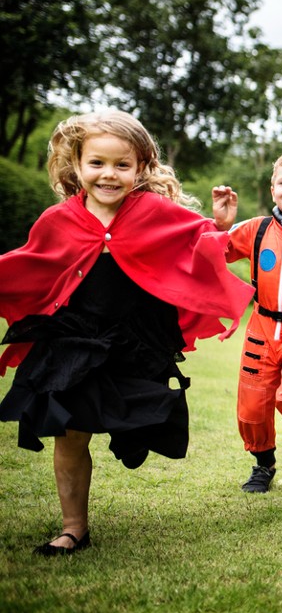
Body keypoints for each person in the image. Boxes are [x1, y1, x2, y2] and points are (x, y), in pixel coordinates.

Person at [0, 110, 254, 555]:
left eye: (122, 165)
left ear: (141, 168)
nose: (108, 174)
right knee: (70, 431)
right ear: (76, 164)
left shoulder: (155, 211)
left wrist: (218, 226)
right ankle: (73, 527)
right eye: (97, 163)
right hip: (73, 339)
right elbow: (30, 263)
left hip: (136, 340)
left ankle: (129, 438)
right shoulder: (58, 219)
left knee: (136, 431)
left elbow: (198, 249)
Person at [211, 150, 282, 493]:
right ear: (273, 189)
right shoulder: (257, 229)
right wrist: (220, 224)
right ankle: (263, 466)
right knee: (252, 406)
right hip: (260, 328)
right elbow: (216, 250)